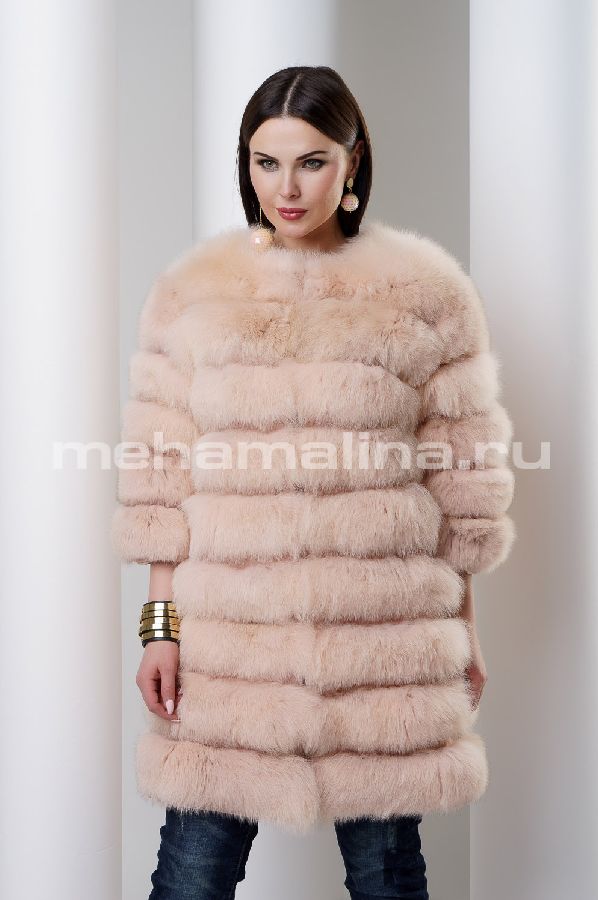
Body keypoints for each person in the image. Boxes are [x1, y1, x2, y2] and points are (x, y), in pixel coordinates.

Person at [111, 65, 516, 899]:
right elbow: (160, 475)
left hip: (384, 644)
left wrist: (463, 634)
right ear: (246, 163)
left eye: (311, 162)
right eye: (266, 163)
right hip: (233, 645)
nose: (286, 189)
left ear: (353, 160)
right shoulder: (193, 295)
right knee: (192, 875)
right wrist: (160, 628)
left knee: (386, 876)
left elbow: (463, 481)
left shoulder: (425, 293)